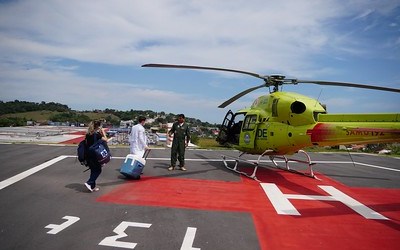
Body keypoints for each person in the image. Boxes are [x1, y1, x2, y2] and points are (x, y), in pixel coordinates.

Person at [84, 120, 108, 192]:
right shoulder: (97, 134)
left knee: (93, 170)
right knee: (98, 170)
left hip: (88, 154)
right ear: (98, 126)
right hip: (95, 154)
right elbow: (106, 140)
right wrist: (103, 131)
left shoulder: (88, 134)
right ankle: (89, 182)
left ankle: (92, 187)